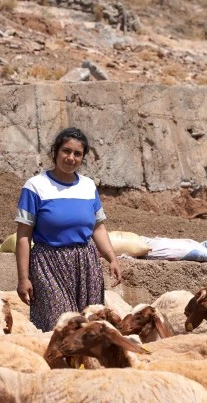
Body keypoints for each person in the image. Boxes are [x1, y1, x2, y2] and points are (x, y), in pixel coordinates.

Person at [14, 127, 122, 332]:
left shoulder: (88, 186)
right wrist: (23, 278)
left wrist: (112, 258)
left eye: (77, 153)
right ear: (55, 151)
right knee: (62, 324)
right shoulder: (35, 186)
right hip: (48, 264)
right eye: (66, 151)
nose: (71, 157)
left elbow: (98, 227)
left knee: (89, 324)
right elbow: (23, 236)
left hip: (86, 263)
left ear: (83, 158)